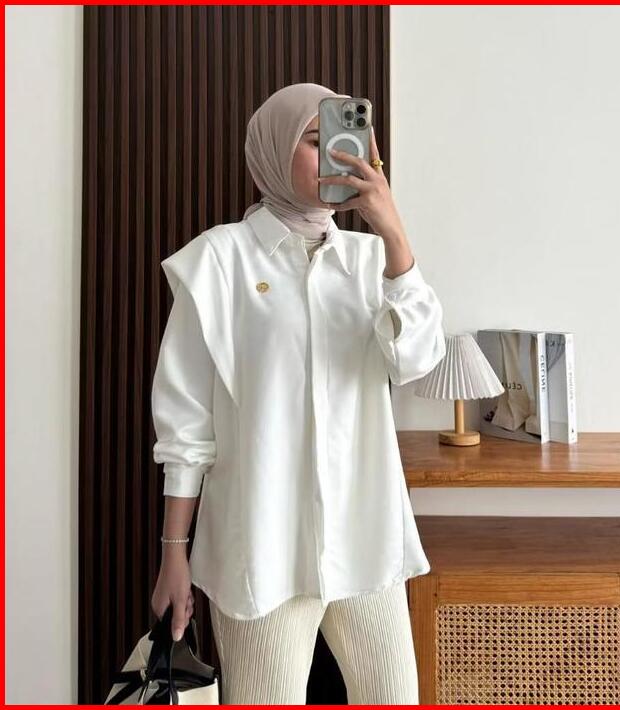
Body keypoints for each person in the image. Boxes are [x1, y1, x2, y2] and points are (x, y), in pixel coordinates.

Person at [149, 82, 446, 704]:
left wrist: (394, 233)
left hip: (366, 545)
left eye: (349, 140)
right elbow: (186, 426)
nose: (340, 155)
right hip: (262, 550)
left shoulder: (372, 261)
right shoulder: (218, 262)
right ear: (273, 151)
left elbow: (417, 361)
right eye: (317, 140)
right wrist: (174, 554)